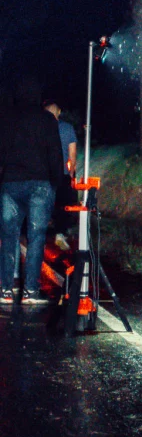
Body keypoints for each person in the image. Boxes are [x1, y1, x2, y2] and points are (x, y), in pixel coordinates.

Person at [0, 78, 62, 304]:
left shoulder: (6, 119)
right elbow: (55, 154)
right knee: (36, 237)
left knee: (9, 236)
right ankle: (30, 292)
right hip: (39, 183)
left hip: (11, 184)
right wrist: (56, 183)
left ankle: (5, 290)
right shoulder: (47, 120)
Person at [42, 99, 78, 249]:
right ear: (59, 113)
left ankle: (40, 237)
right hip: (62, 173)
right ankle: (60, 233)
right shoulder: (67, 128)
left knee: (44, 205)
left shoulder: (40, 128)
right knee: (63, 204)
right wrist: (71, 172)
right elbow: (72, 154)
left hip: (43, 174)